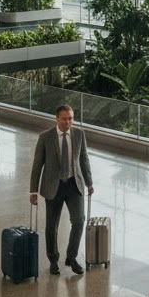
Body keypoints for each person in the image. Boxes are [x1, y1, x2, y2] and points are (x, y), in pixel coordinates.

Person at [30, 104, 95, 276]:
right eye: (65, 119)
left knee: (79, 220)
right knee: (52, 226)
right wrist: (33, 191)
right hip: (53, 186)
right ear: (57, 119)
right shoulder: (45, 137)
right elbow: (37, 165)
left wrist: (89, 182)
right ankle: (53, 260)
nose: (68, 122)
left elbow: (84, 159)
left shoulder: (79, 134)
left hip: (74, 184)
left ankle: (71, 257)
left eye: (71, 118)